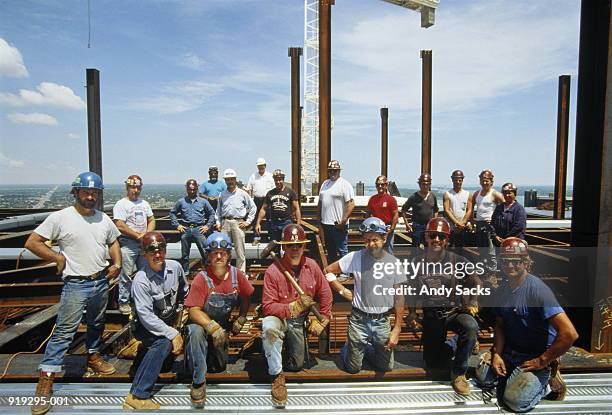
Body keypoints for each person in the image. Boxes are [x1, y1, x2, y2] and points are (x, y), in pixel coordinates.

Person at [25, 172, 121, 415]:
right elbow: (33, 242)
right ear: (76, 192)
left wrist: (117, 264)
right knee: (64, 331)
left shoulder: (103, 219)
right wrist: (56, 256)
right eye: (86, 192)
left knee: (96, 323)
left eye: (94, 193)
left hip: (100, 280)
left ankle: (93, 356)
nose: (90, 196)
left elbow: (113, 242)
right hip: (75, 284)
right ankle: (46, 379)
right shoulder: (60, 218)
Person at [475, 238, 578, 412]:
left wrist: (543, 360)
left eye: (516, 261)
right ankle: (513, 374)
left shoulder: (538, 291)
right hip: (512, 351)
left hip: (534, 356)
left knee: (515, 401)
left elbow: (569, 334)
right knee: (483, 376)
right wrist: (498, 354)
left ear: (526, 262)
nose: (510, 266)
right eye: (505, 261)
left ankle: (547, 381)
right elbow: (499, 324)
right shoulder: (503, 289)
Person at [406, 217, 481, 396]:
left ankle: (459, 373)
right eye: (433, 235)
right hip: (432, 315)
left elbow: (476, 281)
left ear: (447, 240)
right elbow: (411, 290)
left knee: (470, 327)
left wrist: (473, 301)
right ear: (426, 238)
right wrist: (412, 314)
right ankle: (456, 343)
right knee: (433, 362)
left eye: (441, 236)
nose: (437, 240)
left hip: (454, 312)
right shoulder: (417, 263)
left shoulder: (458, 261)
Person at [262, 224, 333, 407]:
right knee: (269, 329)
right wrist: (293, 307)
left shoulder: (312, 266)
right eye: (290, 246)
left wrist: (323, 318)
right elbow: (268, 307)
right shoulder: (272, 271)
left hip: (299, 321)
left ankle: (280, 352)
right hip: (279, 318)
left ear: (304, 246)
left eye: (299, 245)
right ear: (283, 247)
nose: (295, 249)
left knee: (297, 365)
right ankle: (277, 375)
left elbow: (325, 293)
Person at [324, 217, 405, 374]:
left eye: (375, 239)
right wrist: (342, 290)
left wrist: (397, 329)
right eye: (367, 240)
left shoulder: (394, 264)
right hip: (359, 320)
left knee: (386, 367)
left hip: (382, 321)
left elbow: (400, 297)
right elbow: (328, 271)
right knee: (353, 368)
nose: (370, 244)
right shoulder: (355, 257)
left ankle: (364, 349)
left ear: (384, 238)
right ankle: (351, 349)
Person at [183, 232, 254, 407]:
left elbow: (246, 297)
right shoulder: (202, 278)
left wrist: (242, 317)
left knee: (218, 367)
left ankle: (206, 361)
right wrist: (211, 326)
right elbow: (193, 311)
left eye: (223, 252)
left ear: (229, 254)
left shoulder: (238, 276)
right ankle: (198, 382)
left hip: (222, 329)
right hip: (204, 326)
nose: (219, 256)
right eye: (215, 253)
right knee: (195, 331)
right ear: (208, 255)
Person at [123, 232, 188, 410]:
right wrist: (173, 333)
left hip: (168, 321)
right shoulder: (141, 280)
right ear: (144, 254)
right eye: (152, 251)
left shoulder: (175, 268)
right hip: (145, 327)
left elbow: (184, 292)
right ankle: (138, 395)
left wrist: (183, 314)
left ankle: (142, 358)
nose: (158, 255)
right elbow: (146, 317)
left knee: (166, 364)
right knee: (163, 344)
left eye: (161, 250)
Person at [113, 174, 156, 315]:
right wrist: (138, 236)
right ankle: (124, 302)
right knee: (125, 274)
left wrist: (147, 235)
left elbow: (151, 220)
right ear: (127, 187)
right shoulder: (121, 204)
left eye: (138, 187)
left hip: (143, 244)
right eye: (133, 187)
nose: (135, 190)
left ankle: (143, 300)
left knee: (145, 273)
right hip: (128, 243)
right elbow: (120, 225)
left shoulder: (144, 204)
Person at [169, 179, 216, 273]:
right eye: (190, 189)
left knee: (205, 252)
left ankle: (209, 272)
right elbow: (172, 213)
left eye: (194, 189)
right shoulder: (181, 201)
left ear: (197, 189)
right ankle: (185, 273)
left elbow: (212, 213)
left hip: (199, 229)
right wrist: (177, 225)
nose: (192, 191)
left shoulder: (203, 202)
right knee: (185, 254)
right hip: (185, 229)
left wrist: (207, 226)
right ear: (186, 189)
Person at [216, 168, 256, 272]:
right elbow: (218, 210)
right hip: (225, 223)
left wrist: (247, 222)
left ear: (235, 179)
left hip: (238, 223)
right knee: (224, 249)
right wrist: (218, 222)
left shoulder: (242, 194)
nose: (229, 182)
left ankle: (241, 273)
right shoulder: (222, 194)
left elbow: (253, 207)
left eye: (231, 179)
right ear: (225, 180)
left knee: (240, 251)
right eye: (227, 179)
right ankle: (225, 271)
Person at [318, 160, 355, 263]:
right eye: (330, 171)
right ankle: (334, 272)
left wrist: (343, 221)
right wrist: (318, 220)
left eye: (335, 170)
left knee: (342, 250)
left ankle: (346, 273)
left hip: (338, 225)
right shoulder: (325, 183)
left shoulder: (345, 184)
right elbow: (320, 203)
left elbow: (351, 204)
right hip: (326, 224)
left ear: (339, 171)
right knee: (331, 251)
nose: (332, 173)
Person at [255, 169, 301, 245]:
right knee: (274, 246)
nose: (278, 182)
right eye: (276, 180)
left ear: (283, 179)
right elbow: (263, 209)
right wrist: (258, 223)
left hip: (287, 222)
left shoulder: (290, 192)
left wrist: (298, 224)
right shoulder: (270, 193)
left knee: (287, 245)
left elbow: (296, 208)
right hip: (274, 223)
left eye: (280, 180)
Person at [471, 170, 504, 273]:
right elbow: (470, 207)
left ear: (491, 182)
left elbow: (504, 208)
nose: (484, 183)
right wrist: (472, 220)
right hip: (479, 225)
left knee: (491, 251)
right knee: (481, 250)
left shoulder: (495, 194)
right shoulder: (477, 193)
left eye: (487, 181)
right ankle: (485, 272)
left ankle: (492, 274)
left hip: (490, 226)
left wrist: (495, 219)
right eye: (482, 180)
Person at [401, 173, 439, 249]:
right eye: (423, 184)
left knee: (429, 247)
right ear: (419, 184)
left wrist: (434, 222)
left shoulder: (433, 196)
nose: (425, 186)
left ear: (430, 184)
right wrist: (407, 225)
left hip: (429, 227)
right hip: (417, 226)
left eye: (427, 184)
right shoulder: (414, 197)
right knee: (415, 248)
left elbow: (436, 210)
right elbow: (403, 210)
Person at [366, 175, 399, 254]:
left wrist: (392, 229)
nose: (380, 186)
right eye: (378, 184)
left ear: (386, 185)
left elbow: (395, 215)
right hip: (375, 228)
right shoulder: (372, 199)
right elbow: (368, 213)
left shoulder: (391, 199)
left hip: (387, 228)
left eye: (382, 184)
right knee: (375, 250)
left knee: (388, 251)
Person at [442, 170, 473, 249]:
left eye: (460, 180)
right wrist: (457, 223)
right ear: (452, 180)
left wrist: (462, 223)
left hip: (463, 228)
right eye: (456, 179)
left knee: (462, 251)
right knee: (449, 250)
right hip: (451, 228)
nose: (458, 182)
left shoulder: (468, 194)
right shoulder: (447, 194)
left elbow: (469, 210)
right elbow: (447, 210)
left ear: (462, 180)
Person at [246, 158, 275, 225]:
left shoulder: (270, 176)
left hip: (268, 200)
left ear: (265, 166)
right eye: (259, 166)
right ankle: (256, 234)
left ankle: (271, 234)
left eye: (262, 165)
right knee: (255, 218)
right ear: (257, 167)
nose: (260, 167)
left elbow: (274, 189)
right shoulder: (253, 176)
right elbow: (248, 189)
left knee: (270, 218)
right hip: (256, 200)